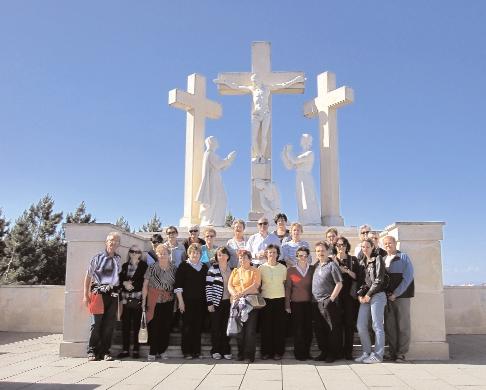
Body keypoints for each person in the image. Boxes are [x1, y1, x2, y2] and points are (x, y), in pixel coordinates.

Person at [215, 73, 304, 161]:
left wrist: (296, 80)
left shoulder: (267, 88)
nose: (254, 83)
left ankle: (262, 155)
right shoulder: (253, 89)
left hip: (266, 114)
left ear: (259, 80)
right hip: (256, 115)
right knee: (254, 138)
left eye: (255, 81)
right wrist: (224, 82)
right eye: (253, 81)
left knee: (264, 137)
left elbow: (283, 85)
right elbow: (236, 87)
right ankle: (258, 155)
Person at [83, 232, 122, 361]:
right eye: (111, 240)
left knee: (109, 325)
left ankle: (105, 351)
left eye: (116, 241)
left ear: (119, 244)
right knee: (96, 324)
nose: (113, 243)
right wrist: (85, 295)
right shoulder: (97, 258)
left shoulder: (118, 259)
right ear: (106, 242)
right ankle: (92, 351)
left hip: (113, 295)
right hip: (98, 295)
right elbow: (88, 276)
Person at [354, 238, 387, 364]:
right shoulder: (362, 262)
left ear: (373, 247)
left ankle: (378, 355)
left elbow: (379, 279)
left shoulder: (378, 258)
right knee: (361, 325)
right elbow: (362, 282)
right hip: (366, 296)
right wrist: (360, 295)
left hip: (377, 295)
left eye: (367, 246)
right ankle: (366, 352)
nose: (365, 249)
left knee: (377, 325)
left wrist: (369, 294)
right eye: (363, 247)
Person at [382, 235, 415, 362]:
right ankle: (392, 352)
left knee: (403, 325)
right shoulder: (383, 259)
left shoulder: (403, 257)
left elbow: (408, 277)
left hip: (402, 297)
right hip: (388, 298)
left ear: (395, 243)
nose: (388, 245)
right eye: (385, 244)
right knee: (390, 326)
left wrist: (396, 293)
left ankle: (401, 353)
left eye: (390, 243)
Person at [142, 244, 176, 361]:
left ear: (169, 255)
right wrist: (143, 301)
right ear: (157, 255)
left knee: (165, 327)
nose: (163, 255)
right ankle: (153, 350)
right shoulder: (151, 268)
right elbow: (145, 285)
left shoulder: (174, 268)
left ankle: (162, 350)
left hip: (168, 300)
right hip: (153, 300)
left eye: (165, 253)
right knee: (154, 326)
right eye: (160, 253)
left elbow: (177, 286)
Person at [175, 243, 208, 359]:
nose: (195, 254)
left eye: (198, 252)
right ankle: (187, 352)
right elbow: (178, 286)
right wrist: (181, 302)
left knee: (197, 327)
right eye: (193, 252)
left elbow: (206, 286)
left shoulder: (204, 267)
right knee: (187, 327)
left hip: (200, 302)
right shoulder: (183, 266)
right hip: (186, 302)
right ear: (189, 254)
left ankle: (196, 351)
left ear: (200, 254)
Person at [228, 250, 261, 363]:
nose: (242, 260)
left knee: (250, 330)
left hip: (250, 304)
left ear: (250, 259)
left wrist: (241, 293)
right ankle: (240, 353)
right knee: (239, 330)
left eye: (244, 258)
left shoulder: (255, 271)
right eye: (240, 258)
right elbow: (230, 285)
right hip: (237, 303)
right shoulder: (235, 271)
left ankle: (249, 355)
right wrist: (234, 294)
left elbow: (256, 285)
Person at [311, 241, 343, 362]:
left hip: (328, 302)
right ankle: (323, 352)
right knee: (320, 329)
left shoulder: (332, 265)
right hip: (316, 302)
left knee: (331, 329)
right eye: (318, 251)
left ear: (328, 251)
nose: (320, 253)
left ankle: (332, 354)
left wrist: (331, 299)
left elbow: (339, 284)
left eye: (322, 250)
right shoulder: (316, 266)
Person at [195, 136, 236, 226]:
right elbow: (219, 164)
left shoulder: (210, 154)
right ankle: (211, 221)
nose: (217, 143)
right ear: (211, 142)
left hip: (215, 179)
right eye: (215, 141)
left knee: (219, 199)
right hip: (212, 182)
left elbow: (222, 167)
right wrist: (229, 158)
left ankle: (215, 221)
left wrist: (229, 161)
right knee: (217, 199)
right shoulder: (209, 154)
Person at [281, 133, 321, 225]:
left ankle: (312, 220)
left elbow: (294, 160)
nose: (302, 141)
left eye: (305, 139)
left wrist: (288, 152)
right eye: (302, 139)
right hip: (299, 177)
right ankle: (304, 219)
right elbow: (290, 166)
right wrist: (284, 154)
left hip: (306, 177)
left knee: (307, 198)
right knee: (301, 199)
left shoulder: (310, 153)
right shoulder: (301, 154)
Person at [118, 245, 148, 359]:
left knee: (136, 326)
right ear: (129, 253)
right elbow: (119, 279)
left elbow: (144, 281)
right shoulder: (125, 266)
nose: (135, 253)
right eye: (132, 251)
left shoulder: (144, 266)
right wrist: (124, 283)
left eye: (137, 251)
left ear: (140, 254)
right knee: (125, 326)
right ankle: (125, 349)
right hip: (125, 300)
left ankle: (136, 349)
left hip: (137, 299)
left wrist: (132, 285)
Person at [285, 246, 315, 360]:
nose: (303, 257)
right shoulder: (291, 270)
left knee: (308, 330)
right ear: (297, 257)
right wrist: (287, 305)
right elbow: (288, 288)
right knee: (298, 330)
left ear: (308, 257)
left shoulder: (312, 269)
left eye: (305, 256)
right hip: (296, 304)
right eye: (300, 255)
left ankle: (307, 353)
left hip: (309, 304)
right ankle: (299, 353)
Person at [259, 244, 287, 360]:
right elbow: (259, 285)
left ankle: (278, 352)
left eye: (274, 252)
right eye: (270, 252)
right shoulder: (261, 268)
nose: (272, 254)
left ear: (277, 254)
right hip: (265, 300)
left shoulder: (283, 268)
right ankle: (266, 352)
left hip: (279, 300)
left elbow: (285, 283)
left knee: (279, 328)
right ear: (266, 254)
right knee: (266, 328)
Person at [333, 236, 359, 360]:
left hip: (349, 297)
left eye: (343, 244)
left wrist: (346, 271)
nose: (341, 247)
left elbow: (357, 276)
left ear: (347, 246)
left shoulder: (352, 259)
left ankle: (348, 352)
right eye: (338, 245)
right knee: (337, 324)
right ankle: (337, 352)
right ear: (335, 246)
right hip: (336, 296)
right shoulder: (332, 260)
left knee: (349, 324)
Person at [205, 247, 233, 360]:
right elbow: (208, 287)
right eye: (219, 255)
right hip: (216, 303)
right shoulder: (212, 270)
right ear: (216, 257)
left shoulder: (231, 270)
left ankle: (225, 350)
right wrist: (209, 303)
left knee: (226, 328)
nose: (221, 257)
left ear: (228, 256)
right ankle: (215, 350)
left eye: (224, 254)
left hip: (229, 303)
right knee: (216, 328)